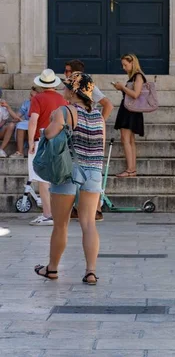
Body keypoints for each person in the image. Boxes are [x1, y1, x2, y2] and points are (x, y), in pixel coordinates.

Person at [33, 72, 105, 284]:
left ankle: (52, 268)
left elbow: (48, 134)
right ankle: (91, 271)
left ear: (74, 91)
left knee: (61, 224)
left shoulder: (65, 111)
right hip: (93, 172)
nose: (63, 90)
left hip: (68, 171)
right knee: (89, 223)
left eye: (66, 87)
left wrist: (55, 117)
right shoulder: (98, 116)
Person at [65, 59, 113, 222]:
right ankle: (81, 209)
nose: (65, 74)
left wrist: (97, 125)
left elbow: (108, 105)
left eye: (67, 71)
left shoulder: (87, 86)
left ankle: (95, 209)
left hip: (85, 142)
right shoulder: (71, 90)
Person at [28, 69, 69, 226]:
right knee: (56, 178)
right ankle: (58, 213)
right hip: (59, 142)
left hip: (43, 141)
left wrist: (31, 142)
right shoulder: (62, 99)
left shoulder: (38, 99)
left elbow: (33, 121)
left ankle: (47, 214)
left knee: (42, 179)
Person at [112, 54, 145, 178]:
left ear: (132, 63)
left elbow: (135, 94)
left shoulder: (138, 76)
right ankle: (132, 169)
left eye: (125, 65)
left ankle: (130, 169)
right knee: (129, 140)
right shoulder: (134, 77)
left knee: (126, 139)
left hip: (130, 111)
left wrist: (122, 88)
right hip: (129, 110)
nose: (124, 67)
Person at [12, 87, 39, 158]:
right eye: (30, 95)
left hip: (38, 125)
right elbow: (17, 116)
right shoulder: (27, 103)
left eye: (32, 96)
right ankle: (20, 152)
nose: (29, 97)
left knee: (22, 124)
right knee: (20, 125)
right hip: (27, 126)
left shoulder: (41, 102)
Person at [0, 88, 18, 158]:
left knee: (11, 125)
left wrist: (7, 107)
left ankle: (1, 149)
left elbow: (4, 121)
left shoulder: (2, 106)